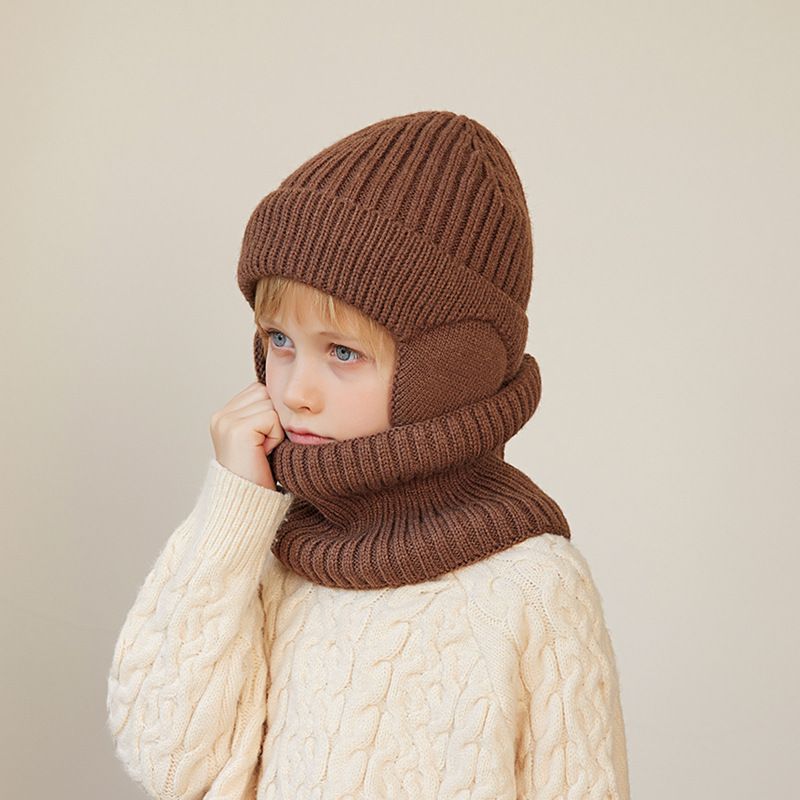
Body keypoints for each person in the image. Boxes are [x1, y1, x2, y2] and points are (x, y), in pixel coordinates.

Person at [108, 110, 630, 800]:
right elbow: (170, 764)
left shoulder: (531, 587)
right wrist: (231, 511)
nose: (295, 392)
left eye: (343, 352)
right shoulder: (264, 554)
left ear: (447, 370)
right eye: (279, 340)